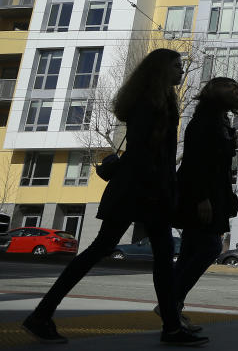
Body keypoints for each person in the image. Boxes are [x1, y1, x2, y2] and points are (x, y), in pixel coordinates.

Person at [22, 48, 208, 347]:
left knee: (133, 254)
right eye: (176, 66)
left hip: (137, 189)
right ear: (161, 70)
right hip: (143, 190)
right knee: (134, 255)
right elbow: (147, 154)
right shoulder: (152, 104)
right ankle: (42, 315)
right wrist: (163, 191)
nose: (181, 71)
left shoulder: (154, 101)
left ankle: (42, 315)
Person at [168, 77, 238, 331]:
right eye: (231, 89)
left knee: (190, 251)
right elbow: (196, 162)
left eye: (237, 90)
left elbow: (218, 162)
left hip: (214, 193)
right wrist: (202, 198)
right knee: (209, 247)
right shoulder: (205, 121)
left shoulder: (221, 121)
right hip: (202, 195)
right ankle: (170, 304)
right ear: (217, 94)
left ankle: (173, 309)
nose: (237, 93)